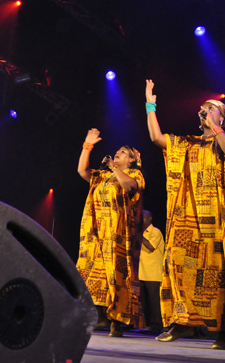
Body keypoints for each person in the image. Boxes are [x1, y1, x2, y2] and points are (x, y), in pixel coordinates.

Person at [145, 80, 225, 349]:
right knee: (178, 264)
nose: (203, 111)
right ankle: (181, 322)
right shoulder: (189, 143)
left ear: (223, 116)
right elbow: (157, 139)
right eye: (202, 108)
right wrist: (150, 103)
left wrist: (217, 129)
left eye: (210, 107)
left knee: (219, 273)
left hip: (219, 219)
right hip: (189, 220)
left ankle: (222, 334)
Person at [76, 128, 145, 338]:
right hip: (96, 232)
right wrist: (87, 146)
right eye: (117, 151)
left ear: (132, 160)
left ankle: (117, 320)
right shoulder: (102, 176)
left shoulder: (134, 174)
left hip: (118, 234)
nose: (118, 153)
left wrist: (114, 167)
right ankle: (99, 316)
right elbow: (82, 171)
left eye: (124, 152)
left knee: (116, 275)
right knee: (93, 273)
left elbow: (129, 187)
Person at [139, 209, 165, 333]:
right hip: (140, 272)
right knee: (142, 301)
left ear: (150, 219)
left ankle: (157, 325)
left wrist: (139, 235)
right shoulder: (139, 233)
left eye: (143, 217)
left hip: (153, 272)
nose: (141, 220)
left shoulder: (155, 232)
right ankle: (144, 324)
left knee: (154, 302)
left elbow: (150, 247)